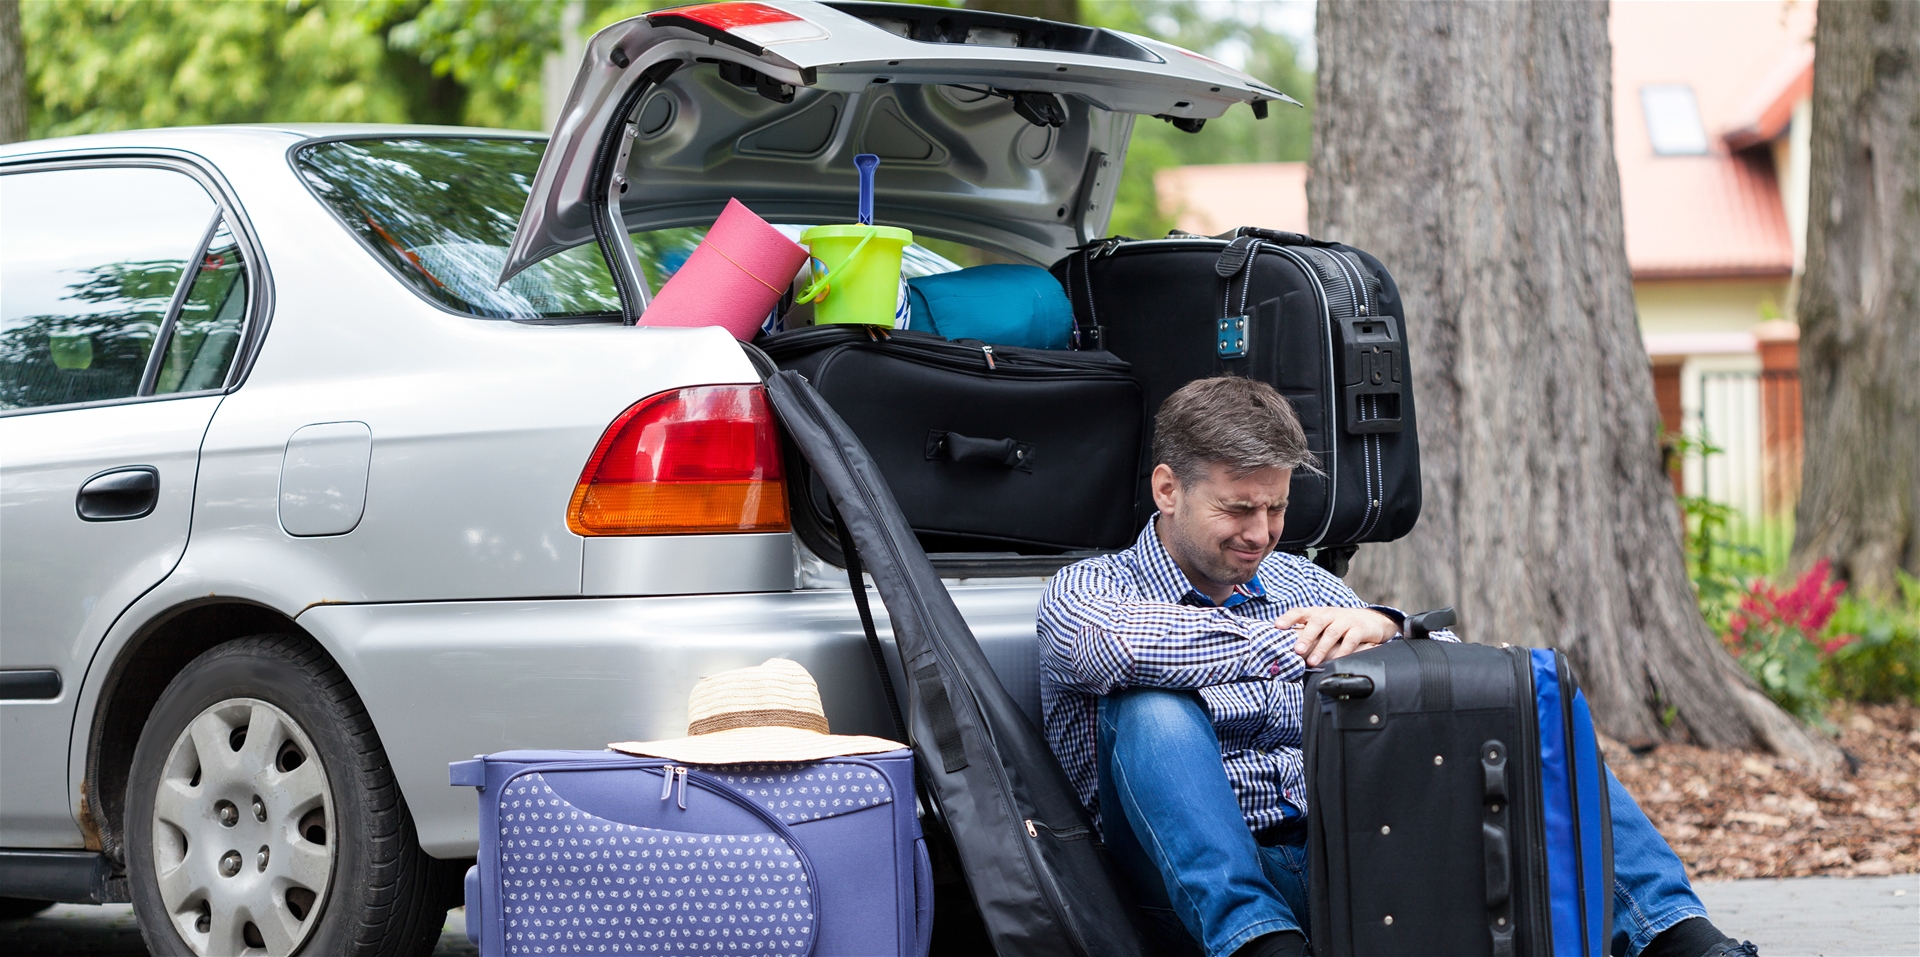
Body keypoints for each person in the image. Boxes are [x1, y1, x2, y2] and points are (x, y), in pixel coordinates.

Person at [1038, 376, 1755, 957]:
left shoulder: (1303, 583)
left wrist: (1390, 631)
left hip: (1351, 854)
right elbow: (1127, 650)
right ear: (1169, 489)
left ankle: (1679, 938)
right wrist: (1325, 648)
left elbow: (1442, 678)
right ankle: (1260, 946)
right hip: (1181, 887)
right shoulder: (1090, 590)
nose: (1260, 532)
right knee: (1153, 708)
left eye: (1277, 507)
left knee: (1517, 708)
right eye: (1237, 508)